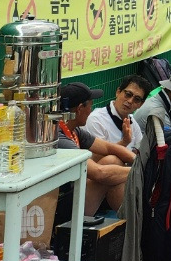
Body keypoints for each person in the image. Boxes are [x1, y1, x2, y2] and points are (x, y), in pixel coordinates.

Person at [55, 81, 134, 215]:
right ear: (80, 108)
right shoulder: (60, 138)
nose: (91, 111)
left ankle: (130, 220)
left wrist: (137, 161)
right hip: (59, 206)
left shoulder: (74, 130)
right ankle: (134, 221)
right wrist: (139, 171)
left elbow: (109, 148)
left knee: (112, 160)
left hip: (75, 191)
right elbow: (99, 173)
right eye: (90, 105)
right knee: (107, 177)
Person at [83, 73, 150, 151]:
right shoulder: (95, 119)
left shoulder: (133, 123)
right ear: (118, 92)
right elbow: (95, 156)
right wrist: (124, 142)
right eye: (128, 94)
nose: (130, 101)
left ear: (141, 104)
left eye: (137, 99)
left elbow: (140, 152)